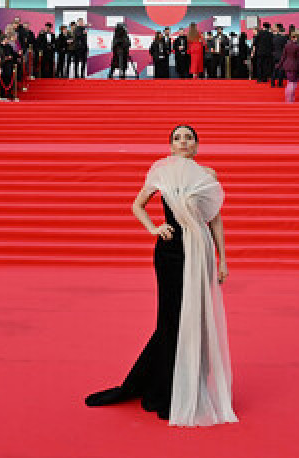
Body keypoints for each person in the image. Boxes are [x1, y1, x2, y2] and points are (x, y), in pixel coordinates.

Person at [85, 125, 236, 426]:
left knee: (195, 317)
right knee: (171, 318)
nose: (183, 142)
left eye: (188, 138)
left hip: (200, 252)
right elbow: (137, 205)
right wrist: (154, 228)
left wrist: (222, 259)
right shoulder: (161, 171)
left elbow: (215, 220)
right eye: (177, 138)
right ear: (170, 145)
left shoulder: (208, 175)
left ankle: (188, 387)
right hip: (170, 252)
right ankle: (164, 389)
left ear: (196, 145)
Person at [279, 32, 299, 103]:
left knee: (289, 82)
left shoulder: (287, 45)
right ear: (297, 38)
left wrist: (279, 65)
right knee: (292, 83)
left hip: (287, 65)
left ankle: (288, 99)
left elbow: (283, 57)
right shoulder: (298, 46)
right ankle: (290, 99)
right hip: (295, 66)